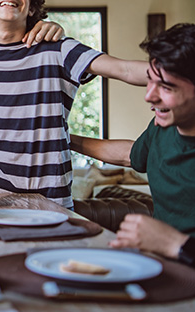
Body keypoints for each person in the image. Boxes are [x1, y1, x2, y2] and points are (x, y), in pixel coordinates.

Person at [0, 0, 149, 208]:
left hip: (51, 198)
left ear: (32, 7)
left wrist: (179, 72)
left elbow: (125, 69)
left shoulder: (60, 48)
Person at [70, 23, 195, 261]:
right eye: (150, 81)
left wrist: (177, 244)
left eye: (166, 87)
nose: (149, 95)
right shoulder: (163, 126)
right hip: (160, 267)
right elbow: (131, 154)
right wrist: (66, 140)